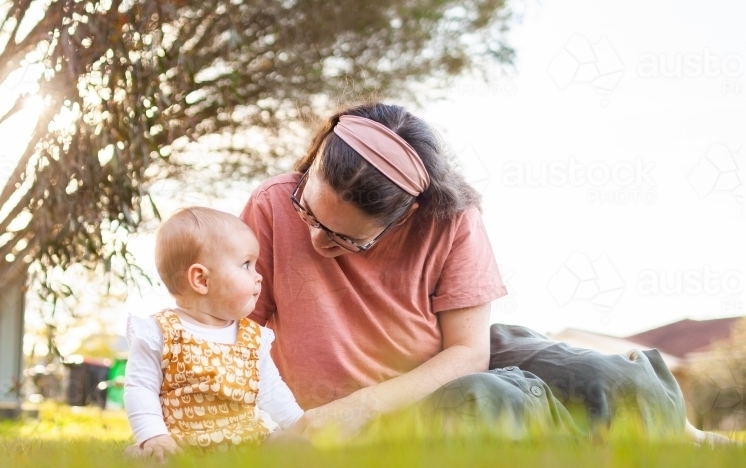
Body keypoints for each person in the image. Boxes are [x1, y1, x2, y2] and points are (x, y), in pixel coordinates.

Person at [240, 101, 715, 443]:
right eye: (309, 214)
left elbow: (468, 350)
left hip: (450, 358)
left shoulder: (451, 220)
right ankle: (617, 433)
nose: (319, 242)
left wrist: (359, 406)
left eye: (347, 239)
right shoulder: (270, 205)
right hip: (429, 396)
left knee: (606, 377)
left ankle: (683, 434)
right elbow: (235, 336)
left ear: (405, 215)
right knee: (486, 401)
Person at [123, 207, 304, 461]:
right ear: (201, 280)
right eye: (246, 265)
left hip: (248, 439)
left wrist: (301, 425)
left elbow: (271, 391)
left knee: (290, 446)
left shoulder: (253, 337)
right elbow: (140, 388)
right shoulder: (160, 332)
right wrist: (154, 436)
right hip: (182, 442)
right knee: (149, 459)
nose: (259, 276)